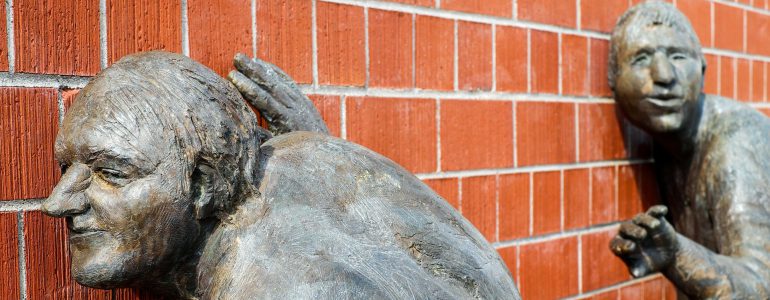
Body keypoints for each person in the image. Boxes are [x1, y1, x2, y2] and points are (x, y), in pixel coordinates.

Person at [41, 51, 520, 299]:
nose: (57, 202)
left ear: (205, 186)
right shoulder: (306, 157)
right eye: (67, 167)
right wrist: (322, 145)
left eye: (110, 173)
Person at [606, 2, 770, 298]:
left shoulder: (733, 143)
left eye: (678, 56)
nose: (664, 75)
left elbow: (760, 287)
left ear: (703, 70)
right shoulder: (670, 142)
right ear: (612, 81)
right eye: (642, 58)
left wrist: (677, 254)